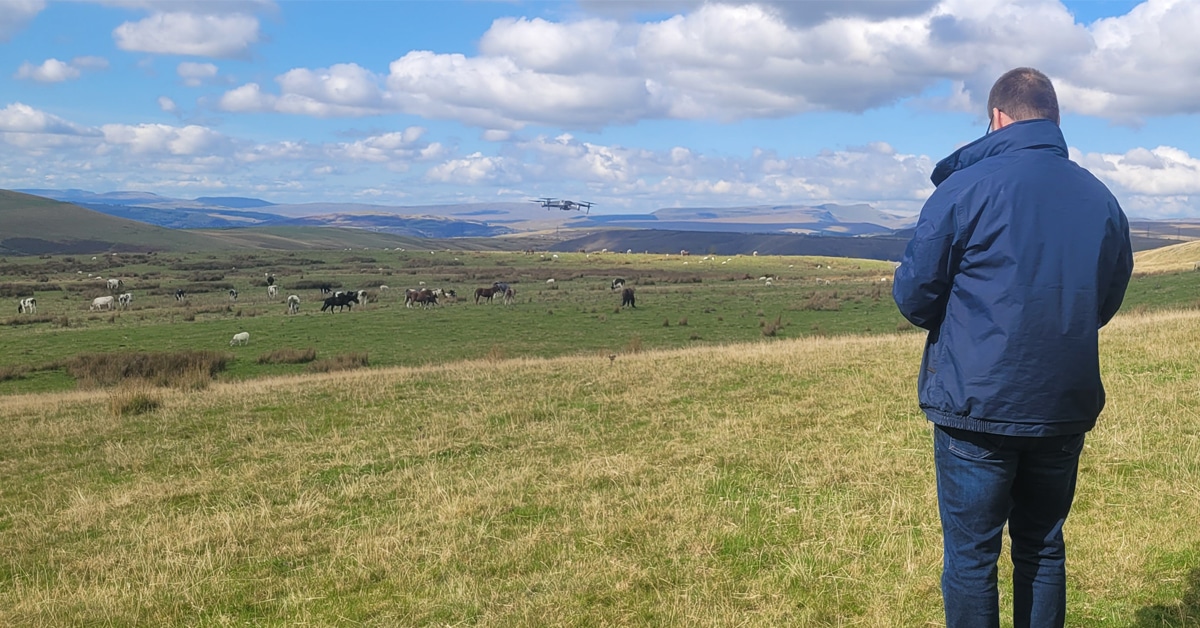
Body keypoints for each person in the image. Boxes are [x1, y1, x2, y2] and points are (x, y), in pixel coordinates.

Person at [892, 67, 1134, 627]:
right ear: (1054, 119)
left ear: (996, 119)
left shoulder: (963, 188)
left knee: (973, 557)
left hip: (974, 405)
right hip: (1061, 405)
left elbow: (914, 295)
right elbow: (1107, 295)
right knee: (1043, 547)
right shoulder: (1100, 198)